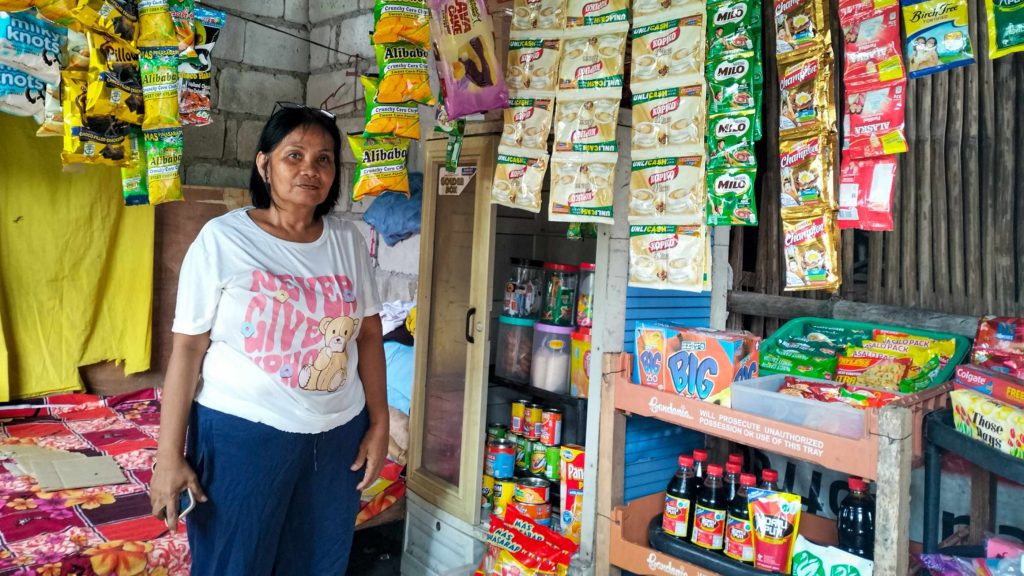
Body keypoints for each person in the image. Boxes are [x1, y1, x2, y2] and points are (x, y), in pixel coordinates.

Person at [150, 103, 389, 575]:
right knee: (235, 564)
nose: (310, 170)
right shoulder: (223, 240)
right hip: (244, 434)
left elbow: (368, 336)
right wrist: (167, 457)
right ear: (265, 164)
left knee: (318, 563)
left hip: (338, 436)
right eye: (293, 156)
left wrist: (379, 424)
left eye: (324, 159)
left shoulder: (348, 241)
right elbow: (188, 349)